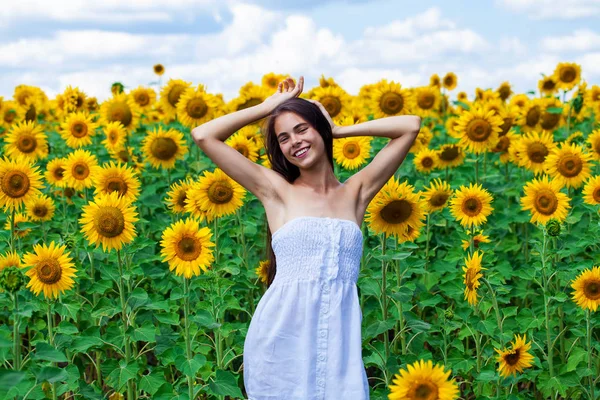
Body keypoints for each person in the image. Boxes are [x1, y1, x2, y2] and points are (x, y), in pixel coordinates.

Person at [191, 76, 421, 400]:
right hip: (282, 345)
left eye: (302, 129)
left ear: (319, 130)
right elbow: (203, 135)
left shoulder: (356, 192)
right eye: (283, 138)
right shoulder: (276, 192)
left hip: (340, 348)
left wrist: (339, 130)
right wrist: (267, 107)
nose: (294, 142)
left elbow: (410, 126)